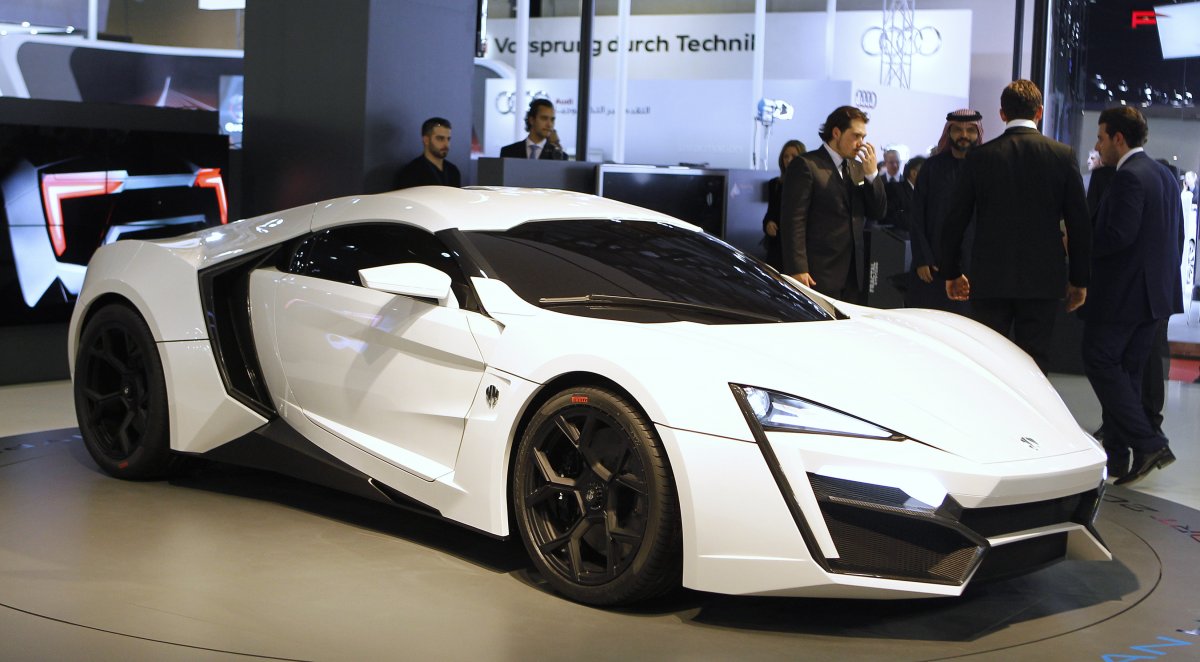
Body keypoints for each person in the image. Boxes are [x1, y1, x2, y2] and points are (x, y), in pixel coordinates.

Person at [939, 80, 1091, 372]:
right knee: (1035, 361)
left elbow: (955, 219)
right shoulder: (1062, 155)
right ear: (1040, 112)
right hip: (1043, 279)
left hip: (990, 277)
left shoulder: (980, 157)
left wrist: (952, 272)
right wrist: (1079, 279)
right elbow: (1079, 224)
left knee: (988, 360)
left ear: (1002, 114)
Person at [1081, 106, 1183, 485]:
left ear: (1118, 139)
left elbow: (1117, 236)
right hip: (1155, 296)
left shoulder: (1128, 177)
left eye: (1101, 137)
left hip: (1124, 294)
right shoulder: (1163, 175)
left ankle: (1148, 443)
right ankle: (1119, 454)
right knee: (1127, 372)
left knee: (1099, 359)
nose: (1097, 145)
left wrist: (1078, 243)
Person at [781, 105, 887, 302]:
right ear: (836, 133)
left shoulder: (858, 168)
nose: (861, 143)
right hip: (817, 273)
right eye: (856, 136)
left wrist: (872, 174)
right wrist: (797, 268)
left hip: (853, 275)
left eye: (863, 137)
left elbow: (878, 212)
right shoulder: (806, 165)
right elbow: (793, 221)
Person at [907, 109, 983, 313]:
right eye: (958, 129)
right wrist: (922, 258)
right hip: (932, 267)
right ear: (949, 133)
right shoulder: (931, 167)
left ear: (978, 133)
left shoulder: (986, 168)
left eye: (970, 130)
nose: (964, 135)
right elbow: (917, 216)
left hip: (973, 267)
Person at [761, 139, 805, 270]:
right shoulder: (775, 184)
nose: (789, 160)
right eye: (786, 156)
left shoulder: (807, 185)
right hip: (776, 245)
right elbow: (770, 214)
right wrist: (768, 224)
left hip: (798, 248)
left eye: (794, 156)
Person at [395, 117, 461, 189]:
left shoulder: (453, 171)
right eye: (440, 138)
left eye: (448, 139)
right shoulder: (411, 173)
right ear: (426, 140)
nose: (446, 144)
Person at [499, 98, 568, 160]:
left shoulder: (560, 156)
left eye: (552, 119)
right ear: (531, 120)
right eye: (544, 118)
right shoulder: (508, 152)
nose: (549, 124)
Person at [882, 155, 924, 232]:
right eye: (927, 173)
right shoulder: (894, 189)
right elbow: (890, 216)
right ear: (914, 173)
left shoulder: (927, 194)